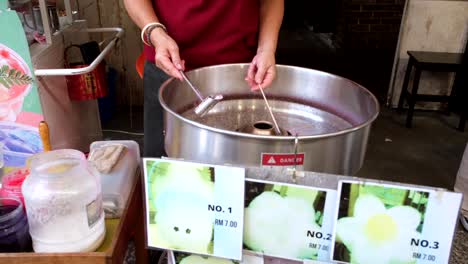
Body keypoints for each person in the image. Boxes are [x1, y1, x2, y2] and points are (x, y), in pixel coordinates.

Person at [124, 0, 284, 157]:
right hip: (169, 66)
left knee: (242, 168)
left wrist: (266, 49)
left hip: (242, 73)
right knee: (161, 170)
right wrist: (155, 32)